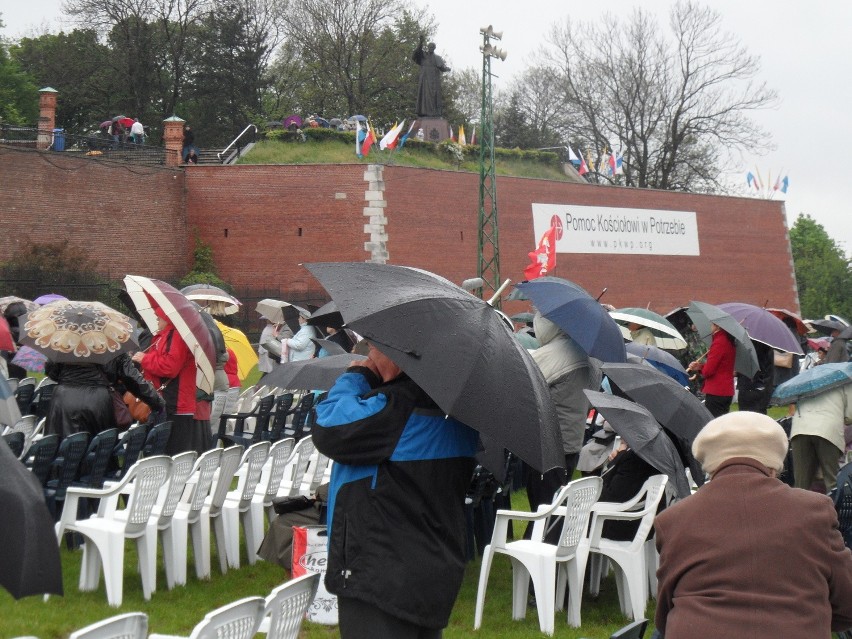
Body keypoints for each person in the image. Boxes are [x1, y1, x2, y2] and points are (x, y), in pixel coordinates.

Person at [312, 340, 478, 638]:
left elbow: (329, 426)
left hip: (380, 571)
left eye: (373, 349)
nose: (368, 357)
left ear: (401, 355)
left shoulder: (395, 408)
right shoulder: (458, 409)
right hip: (431, 564)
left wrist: (357, 377)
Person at [654, 411, 852, 639]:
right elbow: (846, 606)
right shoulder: (815, 510)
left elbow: (664, 615)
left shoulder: (673, 519)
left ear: (711, 466)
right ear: (773, 465)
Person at [525, 313, 601, 535]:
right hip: (573, 442)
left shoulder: (550, 355)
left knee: (542, 511)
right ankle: (555, 559)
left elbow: (524, 390)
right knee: (555, 505)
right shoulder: (588, 356)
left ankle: (536, 561)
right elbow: (591, 399)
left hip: (545, 445)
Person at [132, 302, 206, 455]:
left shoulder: (175, 336)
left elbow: (169, 367)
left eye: (159, 318)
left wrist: (144, 359)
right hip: (171, 400)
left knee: (169, 451)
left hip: (174, 401)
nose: (157, 320)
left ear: (167, 318)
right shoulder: (167, 335)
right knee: (165, 449)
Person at [45, 353, 164, 440]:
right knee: (99, 451)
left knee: (61, 449)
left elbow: (51, 372)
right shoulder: (112, 343)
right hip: (99, 401)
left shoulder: (64, 342)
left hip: (64, 399)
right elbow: (133, 379)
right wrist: (157, 403)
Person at [790, 384, 852, 493]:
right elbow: (850, 416)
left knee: (801, 483)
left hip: (800, 428)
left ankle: (798, 509)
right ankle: (833, 508)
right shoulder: (844, 382)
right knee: (832, 481)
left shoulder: (806, 381)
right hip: (828, 430)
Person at [686, 323, 735, 417]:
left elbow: (708, 371)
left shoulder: (719, 342)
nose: (710, 326)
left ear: (718, 326)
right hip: (726, 389)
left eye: (712, 324)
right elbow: (719, 366)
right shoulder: (728, 340)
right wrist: (699, 367)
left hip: (716, 390)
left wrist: (702, 368)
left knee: (712, 422)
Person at [412, 35, 450, 118]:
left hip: (434, 80)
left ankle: (434, 113)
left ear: (434, 48)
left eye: (433, 47)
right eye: (430, 46)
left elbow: (442, 67)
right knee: (424, 96)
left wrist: (447, 69)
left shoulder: (437, 57)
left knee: (434, 96)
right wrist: (421, 42)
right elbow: (416, 53)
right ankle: (424, 113)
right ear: (428, 47)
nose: (431, 48)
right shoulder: (423, 56)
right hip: (425, 79)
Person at [735, 339, 775, 414]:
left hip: (751, 387)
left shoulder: (752, 347)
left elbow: (751, 367)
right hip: (762, 387)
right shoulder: (766, 346)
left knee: (747, 418)